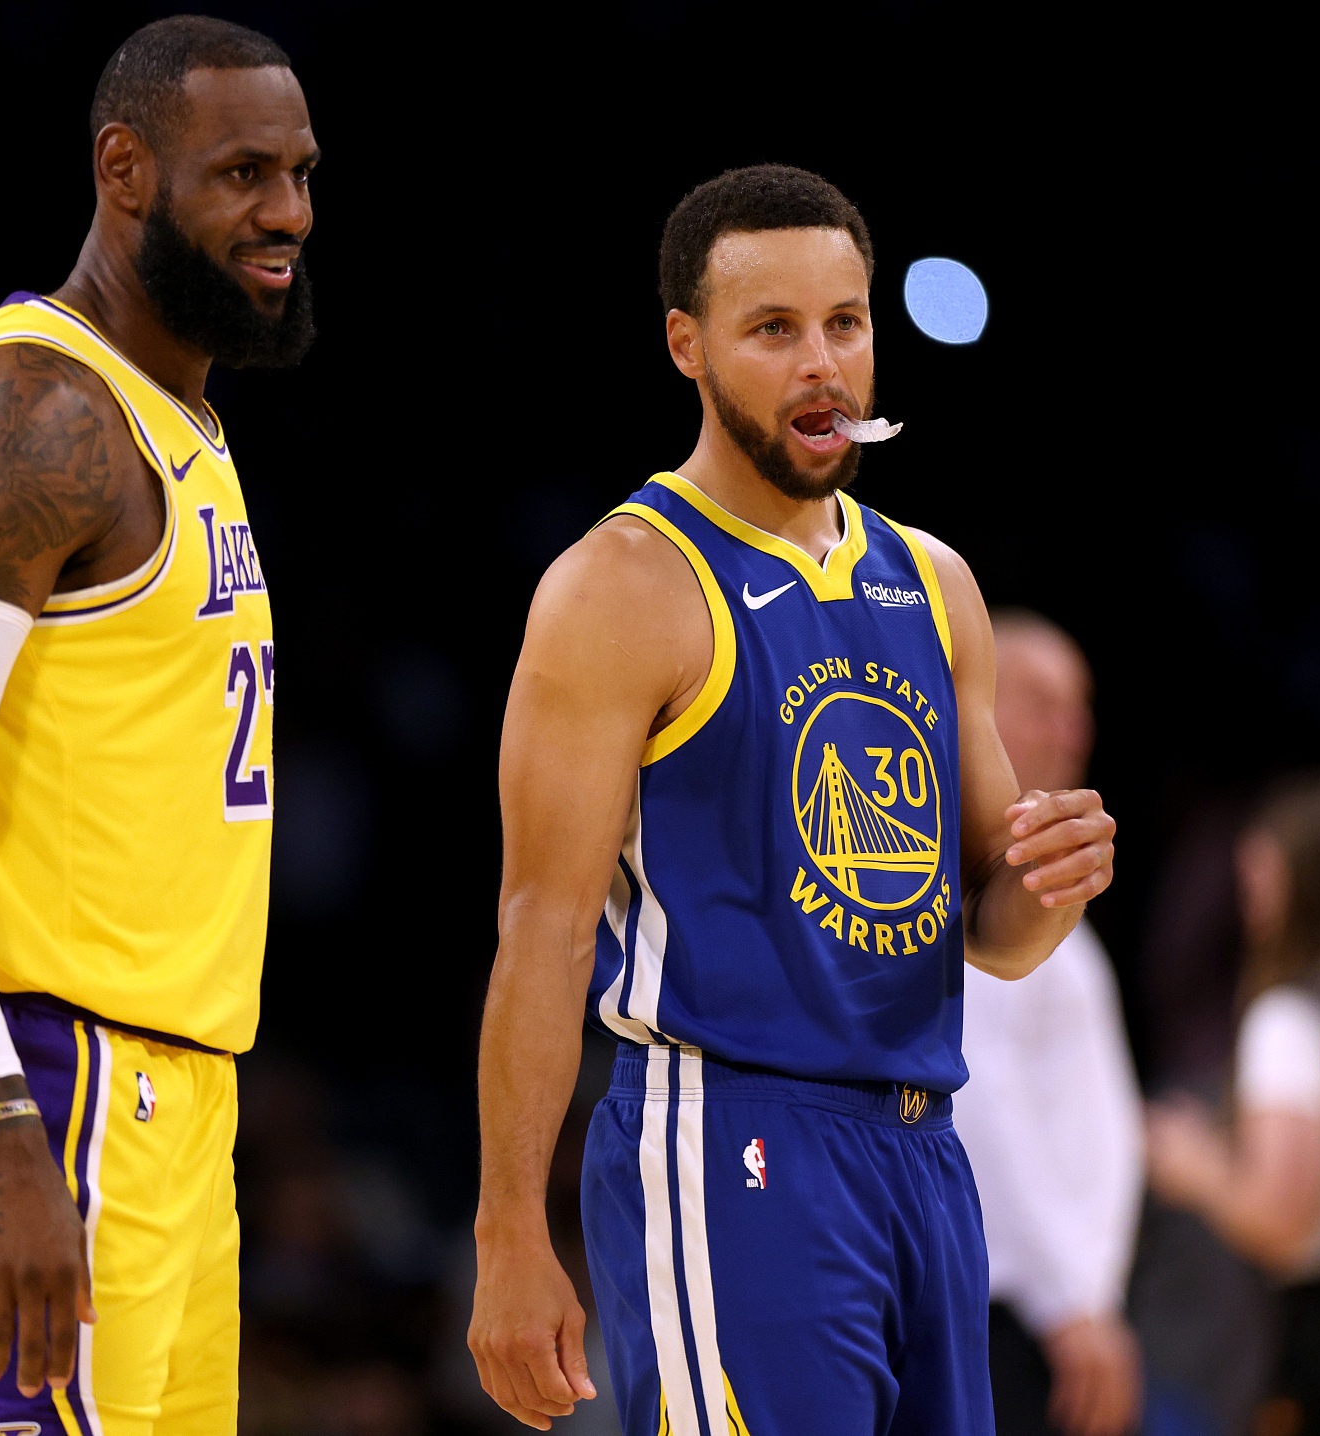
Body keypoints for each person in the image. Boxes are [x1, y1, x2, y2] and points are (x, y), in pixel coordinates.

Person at [466, 164, 1117, 1436]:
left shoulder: (934, 581)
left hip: (924, 1148)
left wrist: (1052, 882)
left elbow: (989, 932)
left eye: (844, 323)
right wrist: (508, 1230)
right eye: (772, 329)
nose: (821, 365)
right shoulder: (621, 584)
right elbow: (540, 929)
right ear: (687, 344)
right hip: (729, 1137)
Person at [0, 16, 317, 1434]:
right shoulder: (29, 408)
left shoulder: (179, 422)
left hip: (171, 1111)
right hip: (43, 1079)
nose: (287, 212)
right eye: (242, 173)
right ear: (125, 169)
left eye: (300, 174)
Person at [955, 613, 1144, 1436]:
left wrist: (1090, 1296)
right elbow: (979, 1103)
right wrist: (1066, 1301)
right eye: (1041, 702)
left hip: (1064, 1306)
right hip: (1015, 1308)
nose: (1070, 730)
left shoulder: (1046, 888)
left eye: (1080, 707)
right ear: (975, 704)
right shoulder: (961, 888)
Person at [1146, 776, 1320, 1433]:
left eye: (1263, 872)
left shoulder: (1286, 1017)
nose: (1246, 891)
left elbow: (1280, 1218)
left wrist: (1193, 1164)